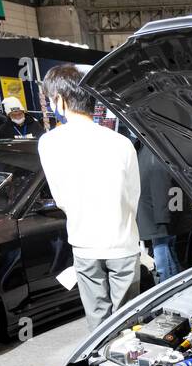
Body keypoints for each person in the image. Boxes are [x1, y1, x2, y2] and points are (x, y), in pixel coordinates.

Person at [37, 65, 141, 330]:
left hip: (84, 242)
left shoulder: (49, 143)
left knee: (97, 322)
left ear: (60, 99)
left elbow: (59, 197)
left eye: (51, 99)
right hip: (123, 242)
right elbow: (133, 195)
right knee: (129, 322)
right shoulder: (121, 142)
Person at [136, 143, 192, 283]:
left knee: (164, 257)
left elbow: (160, 180)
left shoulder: (150, 150)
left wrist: (163, 217)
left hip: (158, 216)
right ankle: (176, 287)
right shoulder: (157, 148)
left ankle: (170, 289)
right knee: (168, 252)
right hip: (160, 214)